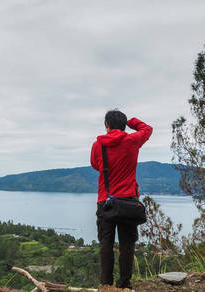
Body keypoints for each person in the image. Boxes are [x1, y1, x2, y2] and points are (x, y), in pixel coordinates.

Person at [90, 109, 153, 289]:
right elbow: (147, 129)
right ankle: (124, 284)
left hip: (105, 201)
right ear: (124, 126)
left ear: (106, 125)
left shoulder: (98, 145)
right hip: (129, 201)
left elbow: (96, 165)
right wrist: (131, 121)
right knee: (127, 244)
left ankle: (106, 284)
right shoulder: (132, 141)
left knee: (106, 244)